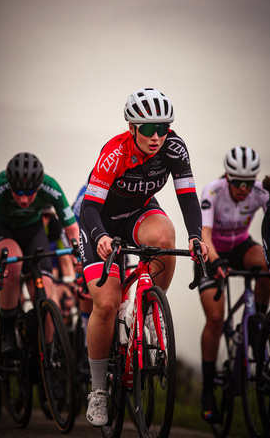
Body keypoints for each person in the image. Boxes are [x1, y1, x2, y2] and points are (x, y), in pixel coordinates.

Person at [78, 87, 209, 427]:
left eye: (163, 128)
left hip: (139, 213)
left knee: (165, 238)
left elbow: (188, 198)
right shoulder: (115, 152)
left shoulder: (175, 148)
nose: (156, 136)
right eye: (148, 128)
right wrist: (101, 237)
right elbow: (89, 207)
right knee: (105, 304)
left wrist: (196, 237)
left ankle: (148, 309)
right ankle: (97, 390)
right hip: (100, 222)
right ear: (132, 127)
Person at [0, 152, 79, 365]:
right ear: (10, 186)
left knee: (46, 292)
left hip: (31, 230)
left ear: (39, 186)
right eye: (18, 193)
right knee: (13, 264)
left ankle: (48, 355)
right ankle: (7, 328)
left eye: (30, 193)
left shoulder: (50, 186)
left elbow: (71, 229)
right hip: (3, 230)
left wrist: (78, 252)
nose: (24, 199)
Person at [198, 146, 270, 424]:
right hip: (211, 250)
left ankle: (260, 322)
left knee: (268, 264)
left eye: (249, 182)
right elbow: (204, 234)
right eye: (237, 182)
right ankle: (207, 391)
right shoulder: (213, 191)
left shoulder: (261, 192)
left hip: (241, 245)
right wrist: (215, 261)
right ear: (227, 177)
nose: (243, 188)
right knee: (215, 318)